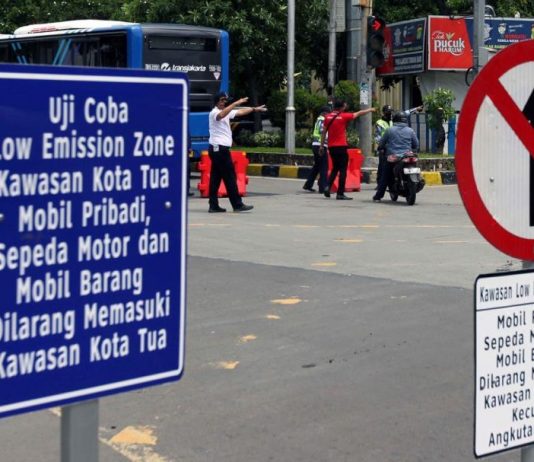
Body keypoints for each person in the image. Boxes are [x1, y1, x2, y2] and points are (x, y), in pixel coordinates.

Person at [207, 91, 266, 213]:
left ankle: (213, 205)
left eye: (225, 100)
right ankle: (237, 204)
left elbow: (240, 112)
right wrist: (236, 103)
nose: (224, 102)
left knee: (215, 178)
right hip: (219, 149)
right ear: (216, 101)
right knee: (230, 177)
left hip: (218, 150)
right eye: (222, 100)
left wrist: (254, 109)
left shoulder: (226, 112)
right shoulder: (214, 113)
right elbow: (221, 115)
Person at [319, 99, 376, 200]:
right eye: (344, 106)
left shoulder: (328, 117)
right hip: (341, 146)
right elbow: (358, 113)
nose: (345, 107)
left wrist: (321, 146)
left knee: (335, 168)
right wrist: (370, 110)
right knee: (343, 170)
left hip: (331, 147)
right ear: (341, 107)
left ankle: (328, 187)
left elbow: (323, 133)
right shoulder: (344, 116)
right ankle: (340, 193)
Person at [373, 111, 419, 202]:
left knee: (385, 176)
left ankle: (379, 195)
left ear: (395, 120)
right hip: (407, 156)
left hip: (394, 157)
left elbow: (381, 143)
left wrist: (381, 148)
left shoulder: (390, 130)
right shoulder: (410, 131)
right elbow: (416, 144)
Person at [375, 104, 423, 185]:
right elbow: (378, 136)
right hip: (386, 148)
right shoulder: (380, 123)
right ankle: (380, 184)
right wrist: (382, 146)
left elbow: (405, 113)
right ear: (383, 113)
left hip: (395, 147)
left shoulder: (394, 120)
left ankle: (383, 187)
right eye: (388, 112)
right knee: (382, 167)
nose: (390, 114)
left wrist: (415, 109)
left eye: (390, 112)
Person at [302, 106, 330, 193]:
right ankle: (323, 187)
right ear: (324, 113)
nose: (329, 115)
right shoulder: (323, 120)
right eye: (328, 113)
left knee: (317, 166)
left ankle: (308, 184)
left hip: (315, 145)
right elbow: (323, 132)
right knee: (324, 167)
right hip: (320, 145)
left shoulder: (318, 119)